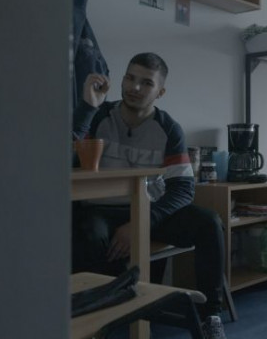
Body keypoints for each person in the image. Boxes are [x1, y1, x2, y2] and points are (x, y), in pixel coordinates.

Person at [72, 52, 228, 339]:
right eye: (130, 78)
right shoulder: (98, 116)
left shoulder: (169, 128)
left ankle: (211, 316)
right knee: (87, 233)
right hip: (100, 211)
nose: (135, 87)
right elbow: (61, 157)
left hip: (148, 210)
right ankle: (97, 321)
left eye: (146, 83)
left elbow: (183, 189)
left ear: (160, 92)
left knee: (209, 223)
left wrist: (140, 222)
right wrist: (87, 108)